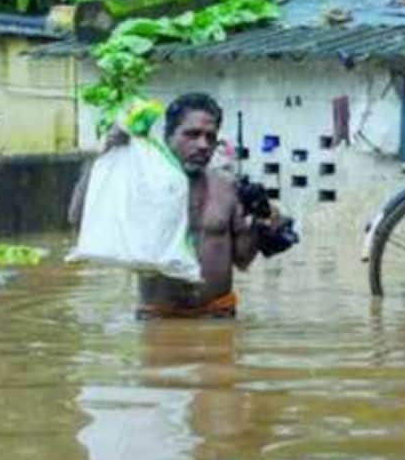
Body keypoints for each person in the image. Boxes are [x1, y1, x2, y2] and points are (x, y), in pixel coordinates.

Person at [69, 92, 286, 319]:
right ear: (169, 136)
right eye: (192, 135)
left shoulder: (228, 187)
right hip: (158, 317)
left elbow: (243, 260)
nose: (203, 145)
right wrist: (104, 155)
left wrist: (262, 224)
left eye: (210, 137)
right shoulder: (143, 181)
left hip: (217, 316)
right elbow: (78, 219)